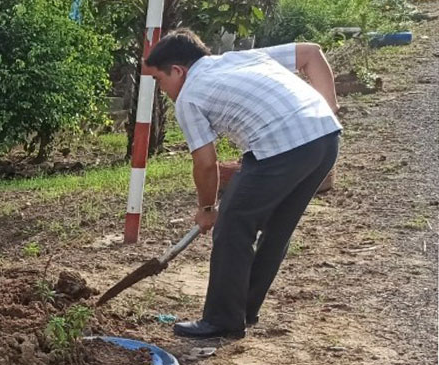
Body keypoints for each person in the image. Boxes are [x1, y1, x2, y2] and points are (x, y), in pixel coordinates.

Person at [144, 29, 341, 339]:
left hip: (281, 147)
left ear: (178, 71)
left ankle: (223, 319)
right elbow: (311, 53)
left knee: (232, 224)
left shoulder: (189, 97)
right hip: (326, 138)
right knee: (277, 230)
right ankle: (243, 311)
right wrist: (328, 108)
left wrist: (207, 209)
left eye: (159, 80)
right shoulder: (238, 58)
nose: (162, 89)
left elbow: (206, 163)